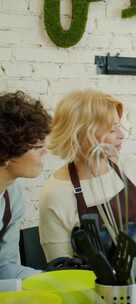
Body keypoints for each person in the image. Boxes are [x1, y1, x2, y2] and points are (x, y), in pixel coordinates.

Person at [39, 90, 136, 279]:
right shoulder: (56, 193)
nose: (122, 135)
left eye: (119, 126)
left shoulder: (129, 169)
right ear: (82, 133)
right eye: (112, 129)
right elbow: (61, 273)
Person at [0, 91, 50, 279]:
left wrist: (49, 279)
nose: (45, 152)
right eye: (37, 148)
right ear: (6, 154)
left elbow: (4, 267)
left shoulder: (12, 195)